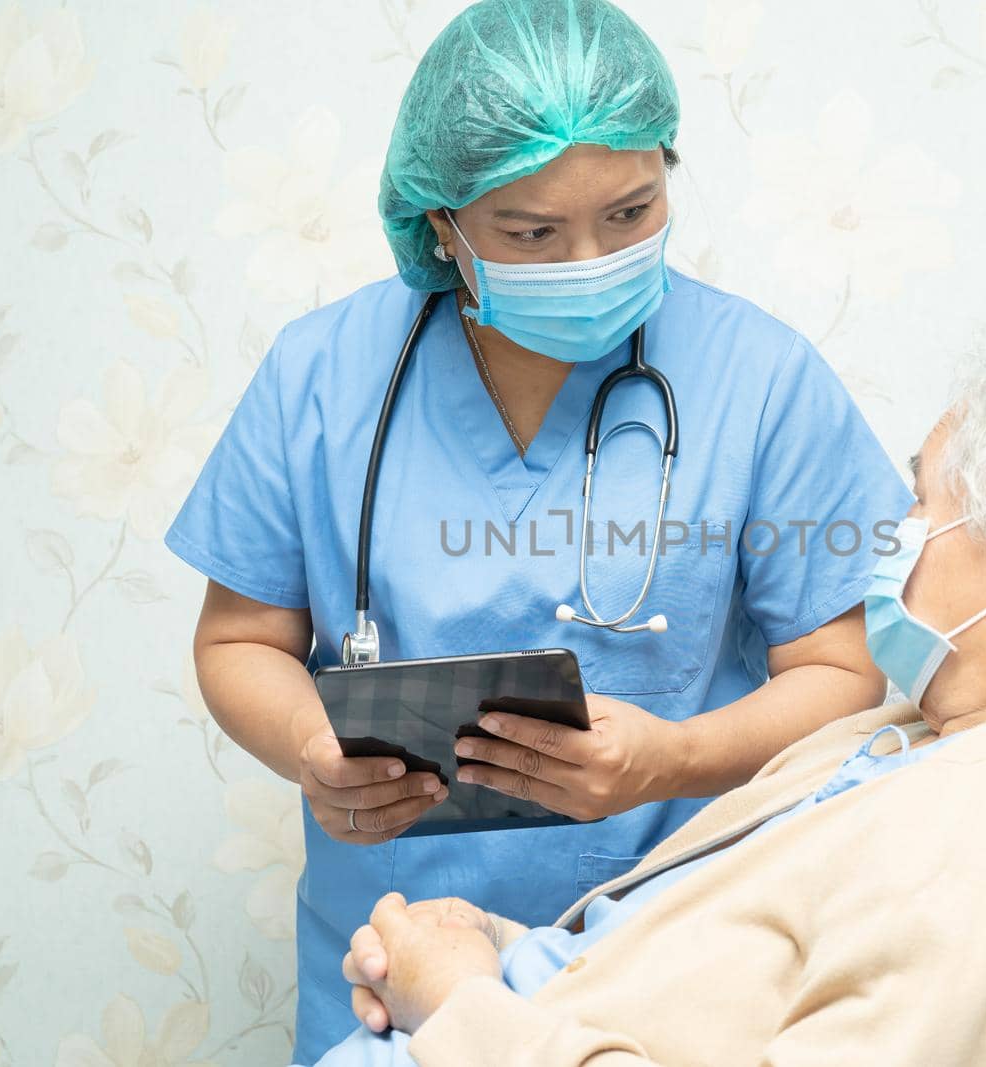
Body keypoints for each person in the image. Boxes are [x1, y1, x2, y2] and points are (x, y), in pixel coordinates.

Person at [162, 1, 910, 1060]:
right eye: (530, 232)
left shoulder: (760, 378)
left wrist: (673, 756)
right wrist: (309, 748)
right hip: (390, 971)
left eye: (631, 210)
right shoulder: (320, 376)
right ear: (440, 222)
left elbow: (842, 672)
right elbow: (240, 642)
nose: (588, 257)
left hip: (672, 960)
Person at [308, 303, 986, 1066]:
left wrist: (462, 1009)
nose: (890, 533)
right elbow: (709, 986)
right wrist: (495, 951)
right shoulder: (921, 732)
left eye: (920, 498)